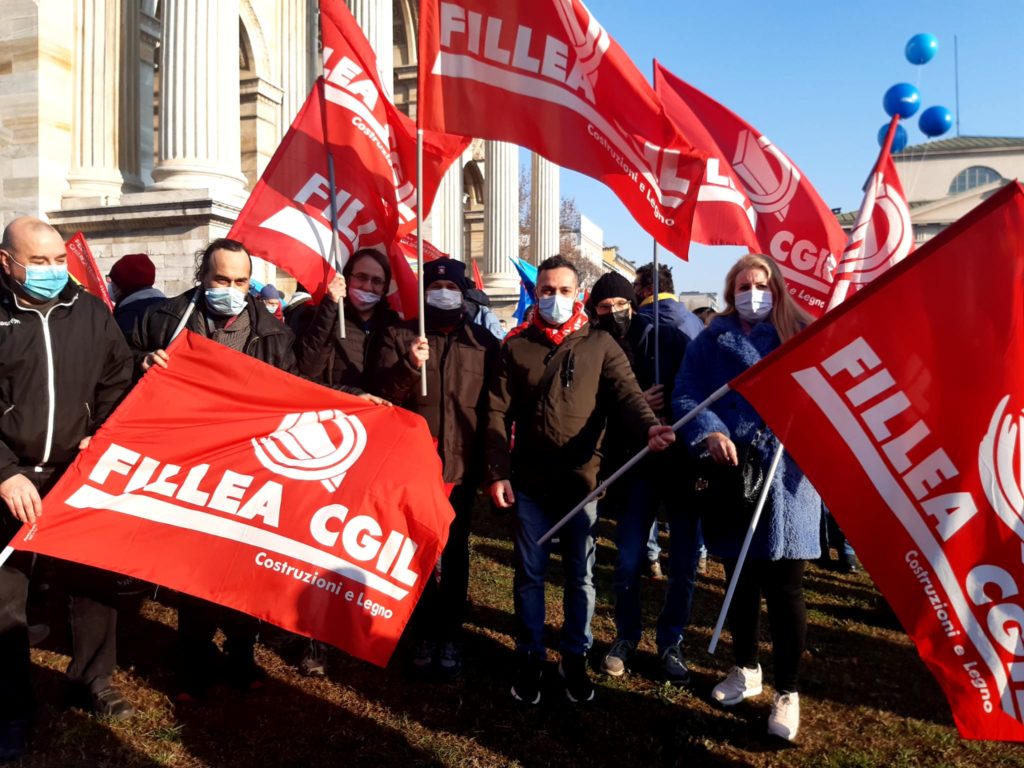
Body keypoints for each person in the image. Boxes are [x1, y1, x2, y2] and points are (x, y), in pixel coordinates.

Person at [486, 255, 676, 705]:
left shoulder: (600, 345)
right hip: (530, 483)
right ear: (537, 293)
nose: (554, 298)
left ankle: (574, 654)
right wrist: (497, 470)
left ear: (578, 293)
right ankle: (530, 654)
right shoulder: (515, 346)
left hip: (582, 485)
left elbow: (627, 395)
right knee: (530, 576)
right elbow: (495, 412)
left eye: (563, 291)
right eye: (546, 290)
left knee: (580, 576)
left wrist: (649, 424)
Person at [129, 237, 297, 699]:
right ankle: (194, 657)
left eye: (241, 281)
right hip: (189, 463)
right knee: (196, 567)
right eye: (222, 279)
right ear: (203, 277)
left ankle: (243, 653)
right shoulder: (163, 320)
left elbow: (295, 392)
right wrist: (142, 362)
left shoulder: (274, 332)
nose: (231, 289)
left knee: (245, 568)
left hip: (250, 465)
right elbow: (118, 365)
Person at [0, 217, 135, 760]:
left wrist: (101, 440)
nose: (54, 271)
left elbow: (115, 382)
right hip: (12, 475)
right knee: (6, 600)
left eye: (59, 260)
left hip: (77, 473)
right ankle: (10, 705)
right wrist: (4, 470)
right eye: (39, 262)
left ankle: (92, 680)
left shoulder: (93, 313)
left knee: (94, 583)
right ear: (6, 262)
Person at [672, 252, 821, 742]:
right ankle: (746, 668)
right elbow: (688, 394)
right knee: (739, 581)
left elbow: (826, 392)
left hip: (789, 477)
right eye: (742, 285)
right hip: (733, 475)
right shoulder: (712, 339)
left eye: (760, 284)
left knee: (786, 589)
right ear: (730, 290)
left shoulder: (802, 335)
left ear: (776, 287)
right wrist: (712, 433)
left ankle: (788, 690)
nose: (751, 292)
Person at [370, 258, 498, 680]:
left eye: (451, 285)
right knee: (416, 553)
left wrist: (491, 467)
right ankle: (423, 631)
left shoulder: (483, 342)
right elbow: (379, 397)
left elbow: (494, 408)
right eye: (436, 284)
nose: (443, 291)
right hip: (412, 465)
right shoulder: (399, 334)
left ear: (464, 293)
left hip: (460, 469)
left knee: (455, 553)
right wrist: (408, 364)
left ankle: (451, 635)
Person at [583, 273, 699, 685]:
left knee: (684, 563)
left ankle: (672, 641)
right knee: (629, 560)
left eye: (620, 302)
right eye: (603, 306)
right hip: (635, 468)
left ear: (634, 300)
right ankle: (625, 637)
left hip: (682, 464)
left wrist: (672, 410)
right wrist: (633, 408)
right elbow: (592, 406)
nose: (613, 312)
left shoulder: (668, 336)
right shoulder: (594, 344)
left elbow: (695, 390)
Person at [633, 263, 705, 578]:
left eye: (636, 286)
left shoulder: (641, 322)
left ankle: (651, 557)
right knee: (687, 508)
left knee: (647, 499)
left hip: (652, 423)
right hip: (689, 429)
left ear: (645, 288)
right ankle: (694, 557)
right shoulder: (695, 322)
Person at [295, 248, 398, 394]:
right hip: (336, 412)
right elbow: (308, 370)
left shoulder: (394, 327)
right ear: (347, 279)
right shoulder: (319, 315)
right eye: (361, 277)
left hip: (378, 414)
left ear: (385, 288)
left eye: (377, 281)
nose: (368, 287)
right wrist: (330, 307)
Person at [107, 252, 165, 336]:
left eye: (112, 280)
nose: (110, 284)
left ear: (122, 285)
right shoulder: (166, 306)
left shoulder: (127, 319)